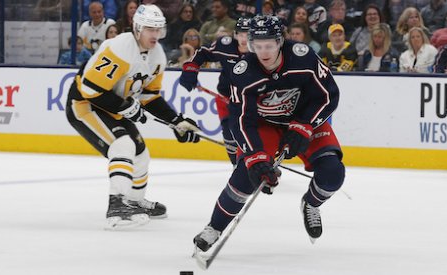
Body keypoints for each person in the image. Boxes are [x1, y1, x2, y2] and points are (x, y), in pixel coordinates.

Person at [193, 15, 345, 251]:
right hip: (266, 124)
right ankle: (214, 227)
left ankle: (311, 204)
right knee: (245, 175)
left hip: (304, 119)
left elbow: (328, 96)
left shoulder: (304, 57)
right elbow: (242, 120)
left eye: (269, 46)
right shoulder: (243, 71)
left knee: (333, 173)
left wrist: (304, 125)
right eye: (258, 46)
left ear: (280, 42)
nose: (264, 52)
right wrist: (256, 156)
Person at [66, 4, 201, 229]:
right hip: (84, 105)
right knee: (123, 145)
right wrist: (126, 107)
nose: (155, 35)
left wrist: (176, 122)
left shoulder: (157, 55)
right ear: (137, 28)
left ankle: (134, 201)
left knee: (141, 154)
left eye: (158, 29)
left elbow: (149, 97)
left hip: (112, 106)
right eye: (150, 29)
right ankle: (117, 203)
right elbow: (89, 90)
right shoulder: (119, 48)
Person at [179, 17, 251, 165]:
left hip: (251, 101)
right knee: (229, 133)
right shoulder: (225, 46)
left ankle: (256, 161)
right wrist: (191, 70)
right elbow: (202, 53)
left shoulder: (261, 51)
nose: (244, 39)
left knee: (249, 134)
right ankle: (237, 166)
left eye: (248, 34)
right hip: (226, 98)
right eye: (241, 34)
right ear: (235, 35)